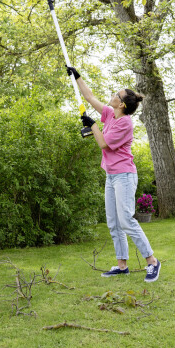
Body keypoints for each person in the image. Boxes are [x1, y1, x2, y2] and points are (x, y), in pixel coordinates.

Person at [67, 66, 160, 282]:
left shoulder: (125, 123)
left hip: (125, 176)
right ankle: (121, 265)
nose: (112, 95)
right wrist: (77, 76)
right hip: (111, 175)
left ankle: (152, 262)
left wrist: (92, 126)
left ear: (122, 104)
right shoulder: (109, 114)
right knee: (113, 222)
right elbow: (89, 97)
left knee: (126, 220)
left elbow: (104, 144)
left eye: (116, 95)